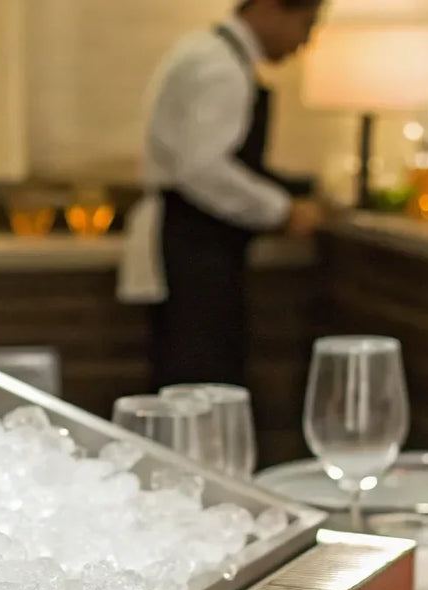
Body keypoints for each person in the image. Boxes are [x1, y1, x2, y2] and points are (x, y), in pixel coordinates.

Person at [118, 0, 327, 390]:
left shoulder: (206, 51)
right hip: (192, 247)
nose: (306, 42)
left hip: (196, 244)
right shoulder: (219, 67)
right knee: (201, 384)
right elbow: (202, 168)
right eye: (306, 24)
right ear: (269, 8)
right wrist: (281, 209)